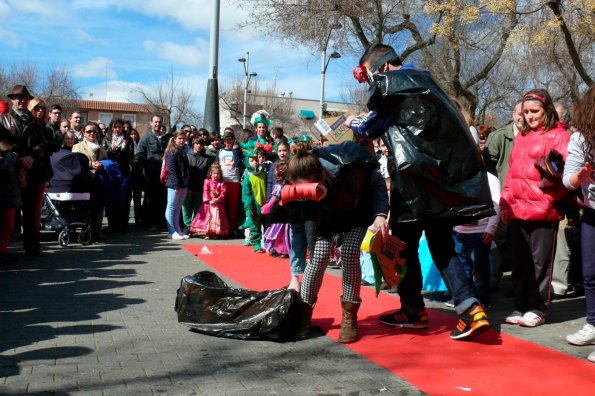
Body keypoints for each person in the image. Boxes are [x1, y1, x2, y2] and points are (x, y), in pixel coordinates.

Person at [345, 44, 493, 340]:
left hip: (413, 184)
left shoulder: (395, 85)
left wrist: (353, 123)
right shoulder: (426, 82)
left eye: (370, 75)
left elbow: (371, 127)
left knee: (402, 244)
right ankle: (469, 308)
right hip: (437, 182)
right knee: (441, 245)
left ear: (382, 67)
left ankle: (415, 309)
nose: (371, 82)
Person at [294, 141, 389, 343]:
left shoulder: (351, 167)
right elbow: (301, 222)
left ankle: (349, 316)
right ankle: (302, 314)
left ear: (322, 176)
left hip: (356, 211)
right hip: (326, 216)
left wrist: (380, 214)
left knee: (349, 252)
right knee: (318, 257)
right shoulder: (298, 174)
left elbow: (378, 183)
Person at [500, 89, 570, 327]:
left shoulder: (559, 135)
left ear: (546, 110)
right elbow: (511, 173)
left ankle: (538, 308)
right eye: (526, 112)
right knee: (520, 262)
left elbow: (569, 175)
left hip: (543, 211)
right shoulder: (521, 136)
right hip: (518, 208)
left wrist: (551, 199)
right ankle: (521, 305)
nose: (529, 116)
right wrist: (505, 202)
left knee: (541, 263)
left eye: (534, 111)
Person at [562, 84, 595, 361]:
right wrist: (581, 175)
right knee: (590, 272)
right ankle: (594, 324)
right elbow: (567, 178)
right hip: (592, 213)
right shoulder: (581, 138)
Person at [0, 85, 51, 256]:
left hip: (32, 170)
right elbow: (2, 142)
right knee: (9, 211)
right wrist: (19, 156)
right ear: (12, 100)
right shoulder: (3, 120)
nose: (22, 100)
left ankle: (32, 245)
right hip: (11, 170)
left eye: (25, 97)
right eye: (18, 97)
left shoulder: (34, 122)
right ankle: (4, 248)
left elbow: (42, 144)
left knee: (32, 210)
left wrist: (32, 157)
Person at [483, 101, 523, 289]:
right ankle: (491, 279)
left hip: (524, 200)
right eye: (520, 113)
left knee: (520, 242)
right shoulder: (499, 137)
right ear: (513, 114)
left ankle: (519, 282)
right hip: (501, 197)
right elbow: (488, 165)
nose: (523, 117)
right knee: (496, 239)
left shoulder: (533, 136)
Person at [72, 122, 107, 240]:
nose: (92, 133)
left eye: (94, 131)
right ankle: (86, 232)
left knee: (99, 206)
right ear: (83, 133)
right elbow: (75, 163)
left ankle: (97, 231)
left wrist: (103, 165)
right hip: (84, 181)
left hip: (99, 181)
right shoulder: (77, 146)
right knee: (85, 207)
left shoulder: (101, 147)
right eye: (89, 131)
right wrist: (91, 164)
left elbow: (106, 161)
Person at [134, 115, 168, 230]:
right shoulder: (145, 138)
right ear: (151, 123)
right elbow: (139, 155)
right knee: (150, 199)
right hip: (151, 174)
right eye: (155, 122)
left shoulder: (166, 139)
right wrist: (148, 166)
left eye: (159, 122)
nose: (157, 124)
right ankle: (149, 223)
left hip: (163, 174)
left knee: (162, 198)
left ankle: (161, 222)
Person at [104, 119, 134, 233]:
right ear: (112, 127)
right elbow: (104, 154)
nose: (117, 129)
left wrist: (123, 149)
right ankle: (112, 224)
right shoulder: (107, 139)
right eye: (115, 127)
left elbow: (130, 155)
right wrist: (111, 150)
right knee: (111, 198)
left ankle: (122, 225)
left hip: (123, 172)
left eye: (120, 127)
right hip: (110, 172)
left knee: (123, 199)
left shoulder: (128, 140)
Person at [189, 163, 229, 239]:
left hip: (217, 204)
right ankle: (207, 233)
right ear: (211, 173)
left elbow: (223, 193)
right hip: (208, 203)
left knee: (215, 218)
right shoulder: (207, 181)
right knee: (208, 218)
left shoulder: (222, 183)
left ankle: (214, 233)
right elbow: (205, 191)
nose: (216, 175)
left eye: (218, 173)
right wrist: (209, 200)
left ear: (220, 174)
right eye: (214, 173)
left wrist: (217, 200)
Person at [0, 131, 22, 263]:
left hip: (10, 197)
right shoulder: (6, 160)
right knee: (6, 226)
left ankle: (3, 250)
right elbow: (5, 170)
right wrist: (11, 158)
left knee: (9, 226)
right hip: (5, 197)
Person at [182, 137, 213, 232]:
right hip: (188, 186)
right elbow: (185, 172)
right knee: (186, 207)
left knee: (197, 207)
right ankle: (186, 225)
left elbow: (208, 174)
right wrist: (187, 186)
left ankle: (194, 225)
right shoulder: (187, 156)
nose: (199, 146)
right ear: (193, 144)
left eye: (201, 144)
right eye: (197, 144)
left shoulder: (206, 158)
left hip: (200, 187)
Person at [163, 130, 189, 240]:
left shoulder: (182, 151)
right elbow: (171, 170)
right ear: (175, 139)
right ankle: (171, 230)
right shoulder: (171, 151)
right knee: (171, 207)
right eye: (180, 138)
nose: (182, 140)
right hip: (175, 184)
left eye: (183, 138)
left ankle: (177, 229)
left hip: (183, 184)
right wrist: (176, 185)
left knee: (178, 208)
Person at [262, 161, 290, 258]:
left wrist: (267, 207)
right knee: (284, 233)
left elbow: (273, 199)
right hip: (285, 213)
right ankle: (281, 249)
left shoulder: (278, 186)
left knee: (280, 233)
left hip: (279, 213)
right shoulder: (286, 185)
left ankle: (283, 250)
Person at [217, 131, 243, 235]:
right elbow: (216, 165)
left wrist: (235, 151)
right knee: (221, 205)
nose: (229, 143)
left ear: (233, 141)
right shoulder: (220, 151)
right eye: (227, 141)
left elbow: (237, 164)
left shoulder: (236, 151)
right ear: (224, 141)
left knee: (232, 206)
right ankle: (221, 227)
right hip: (222, 181)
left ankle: (232, 228)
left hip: (234, 181)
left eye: (231, 140)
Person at [241, 154, 267, 252]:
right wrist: (248, 207)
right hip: (254, 205)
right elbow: (246, 194)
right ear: (248, 162)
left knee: (266, 224)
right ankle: (256, 243)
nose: (255, 162)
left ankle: (266, 242)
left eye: (256, 160)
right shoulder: (248, 176)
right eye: (252, 161)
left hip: (264, 204)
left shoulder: (264, 174)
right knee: (255, 225)